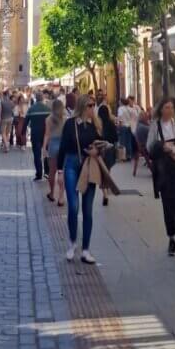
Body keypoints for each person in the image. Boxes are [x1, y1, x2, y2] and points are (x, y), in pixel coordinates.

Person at [57, 93, 105, 264]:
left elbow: (105, 143)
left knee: (88, 209)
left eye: (94, 105)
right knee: (73, 206)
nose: (93, 108)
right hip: (71, 163)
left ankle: (85, 249)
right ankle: (72, 242)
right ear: (82, 107)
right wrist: (59, 172)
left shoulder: (96, 125)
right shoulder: (71, 124)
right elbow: (63, 146)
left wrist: (97, 151)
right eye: (90, 106)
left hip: (89, 166)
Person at [148, 98, 175, 256]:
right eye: (166, 107)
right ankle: (171, 237)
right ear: (161, 110)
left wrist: (173, 149)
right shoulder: (155, 125)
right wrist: (160, 147)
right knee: (168, 204)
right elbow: (149, 146)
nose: (169, 110)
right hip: (164, 169)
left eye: (172, 107)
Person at [96, 94, 118, 206]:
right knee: (107, 171)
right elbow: (116, 138)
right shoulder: (111, 123)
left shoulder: (98, 124)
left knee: (101, 173)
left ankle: (104, 193)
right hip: (110, 150)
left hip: (100, 150)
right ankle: (107, 188)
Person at [43, 98, 66, 205]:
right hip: (63, 145)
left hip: (53, 145)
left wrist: (44, 148)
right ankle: (61, 197)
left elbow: (47, 135)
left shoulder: (48, 119)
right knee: (62, 172)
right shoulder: (65, 119)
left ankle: (52, 193)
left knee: (52, 172)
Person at [25, 90, 50, 181]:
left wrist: (23, 132)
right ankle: (47, 172)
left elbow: (26, 121)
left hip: (35, 134)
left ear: (36, 98)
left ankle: (39, 173)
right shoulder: (47, 108)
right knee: (46, 152)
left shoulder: (31, 108)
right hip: (46, 134)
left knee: (37, 154)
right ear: (43, 98)